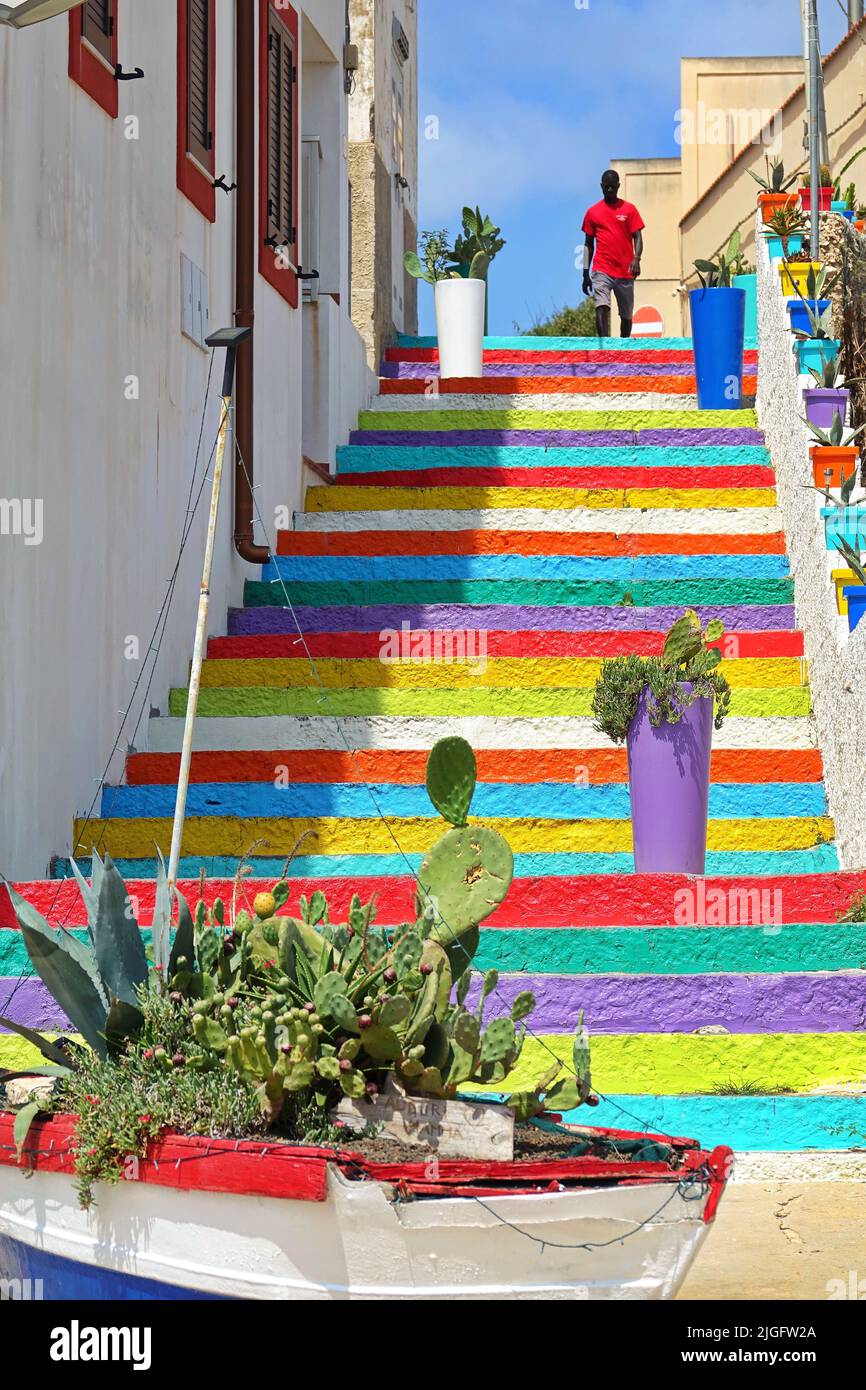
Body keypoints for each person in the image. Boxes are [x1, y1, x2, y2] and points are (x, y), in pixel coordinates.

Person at [582, 170, 645, 338]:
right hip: (602, 268)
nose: (610, 190)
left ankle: (622, 349)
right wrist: (585, 274)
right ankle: (604, 346)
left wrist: (636, 259)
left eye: (613, 187)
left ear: (618, 186)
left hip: (625, 271)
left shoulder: (629, 210)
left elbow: (638, 236)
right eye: (606, 187)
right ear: (601, 186)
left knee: (626, 315)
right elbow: (588, 245)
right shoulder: (592, 212)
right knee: (601, 304)